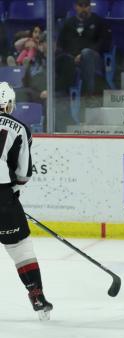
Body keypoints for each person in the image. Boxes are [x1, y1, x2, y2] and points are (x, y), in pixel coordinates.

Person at [0, 82, 53, 319]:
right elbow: (23, 174)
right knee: (19, 246)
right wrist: (12, 191)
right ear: (9, 105)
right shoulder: (19, 127)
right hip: (2, 197)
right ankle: (37, 296)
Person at [57, 0, 111, 97]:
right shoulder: (68, 23)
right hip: (72, 58)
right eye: (80, 5)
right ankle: (61, 93)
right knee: (63, 58)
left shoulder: (98, 21)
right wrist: (71, 57)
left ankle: (88, 93)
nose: (83, 8)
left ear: (90, 6)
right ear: (75, 7)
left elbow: (103, 43)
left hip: (94, 58)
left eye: (86, 5)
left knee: (86, 53)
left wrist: (81, 55)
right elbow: (61, 44)